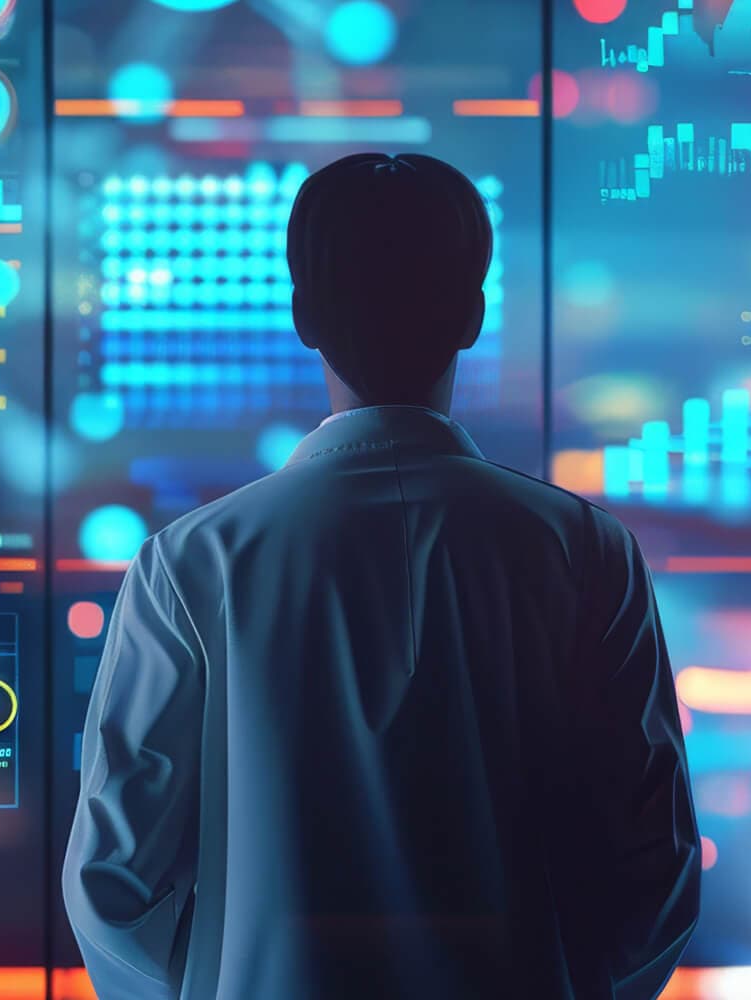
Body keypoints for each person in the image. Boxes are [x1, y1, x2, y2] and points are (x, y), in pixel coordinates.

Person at [62, 152, 701, 999]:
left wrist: (233, 973)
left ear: (303, 317)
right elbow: (652, 872)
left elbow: (113, 882)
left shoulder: (192, 562)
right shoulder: (584, 552)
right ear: (472, 316)